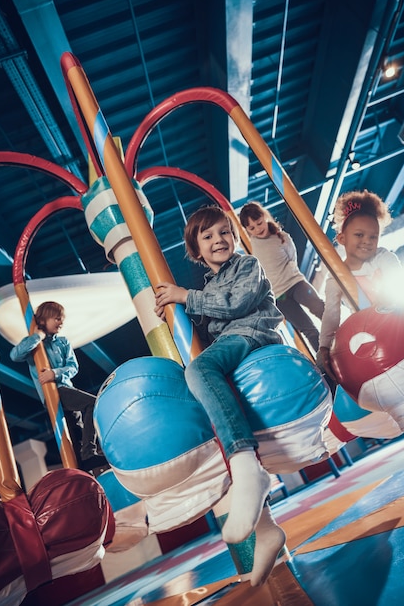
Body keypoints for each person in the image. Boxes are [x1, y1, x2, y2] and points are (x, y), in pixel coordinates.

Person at [154, 205, 286, 587]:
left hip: (252, 334)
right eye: (207, 236)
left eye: (224, 232)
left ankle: (248, 467)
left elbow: (237, 305)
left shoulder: (248, 265)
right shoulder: (210, 284)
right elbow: (213, 309)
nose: (219, 241)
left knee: (199, 369)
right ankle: (267, 529)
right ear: (196, 249)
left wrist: (185, 296)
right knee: (210, 411)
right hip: (232, 340)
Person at [10, 301, 108, 472]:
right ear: (44, 319)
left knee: (76, 431)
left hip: (66, 389)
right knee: (93, 403)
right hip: (53, 393)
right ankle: (89, 452)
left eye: (62, 320)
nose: (60, 323)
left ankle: (84, 463)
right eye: (56, 319)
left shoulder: (63, 342)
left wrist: (54, 373)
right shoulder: (35, 344)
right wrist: (37, 337)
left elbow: (73, 367)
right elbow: (14, 355)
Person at [318, 189, 402, 379]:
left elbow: (396, 281)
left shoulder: (383, 257)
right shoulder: (337, 277)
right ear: (342, 238)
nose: (367, 241)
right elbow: (331, 313)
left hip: (396, 319)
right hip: (372, 332)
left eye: (373, 236)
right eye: (359, 235)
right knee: (322, 361)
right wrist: (324, 345)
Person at [239, 201, 324, 353]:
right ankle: (327, 360)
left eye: (259, 223)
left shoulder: (282, 237)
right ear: (246, 230)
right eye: (252, 228)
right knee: (308, 329)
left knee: (319, 307)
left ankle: (343, 335)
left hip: (295, 283)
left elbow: (292, 258)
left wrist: (290, 273)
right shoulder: (254, 242)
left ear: (265, 217)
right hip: (280, 296)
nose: (258, 229)